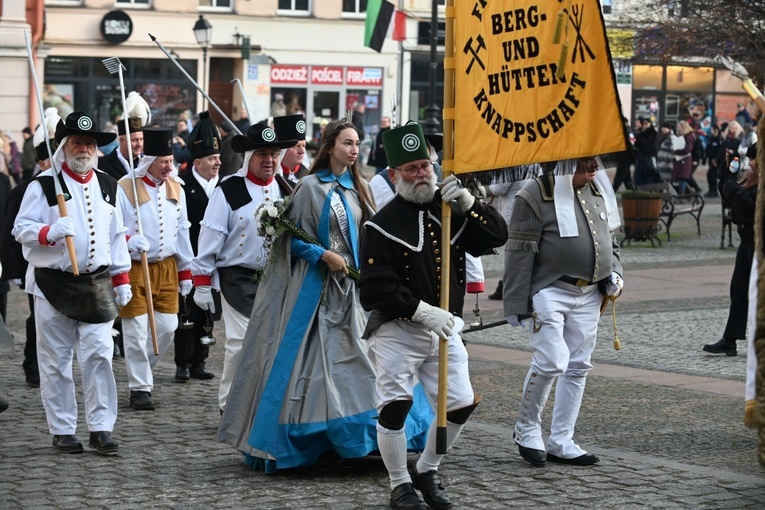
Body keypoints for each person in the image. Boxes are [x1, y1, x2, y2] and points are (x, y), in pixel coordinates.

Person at [218, 118, 432, 474]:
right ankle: (320, 439)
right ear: (330, 146)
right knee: (317, 367)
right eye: (347, 143)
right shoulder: (309, 187)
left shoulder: (359, 187)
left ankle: (367, 435)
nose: (354, 150)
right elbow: (291, 237)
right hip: (317, 292)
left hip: (354, 290)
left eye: (357, 144)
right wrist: (323, 255)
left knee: (364, 360)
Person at [358, 121, 507, 510]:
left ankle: (427, 468)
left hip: (447, 330)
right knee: (395, 407)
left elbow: (497, 237)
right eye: (411, 168)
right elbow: (374, 289)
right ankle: (399, 484)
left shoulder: (451, 211)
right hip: (397, 329)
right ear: (394, 175)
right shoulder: (379, 224)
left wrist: (472, 205)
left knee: (460, 404)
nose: (421, 174)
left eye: (425, 165)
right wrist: (422, 312)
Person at [12, 110, 132, 454]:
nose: (84, 149)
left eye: (89, 143)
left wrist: (121, 277)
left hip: (96, 283)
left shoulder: (109, 185)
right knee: (55, 359)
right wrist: (48, 232)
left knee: (99, 354)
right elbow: (21, 229)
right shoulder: (43, 185)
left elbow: (117, 236)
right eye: (77, 142)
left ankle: (101, 426)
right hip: (53, 283)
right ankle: (63, 428)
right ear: (64, 147)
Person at [502, 157, 623, 468]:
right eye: (585, 160)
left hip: (590, 292)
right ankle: (527, 429)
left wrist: (615, 272)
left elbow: (611, 241)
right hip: (549, 290)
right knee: (552, 361)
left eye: (596, 158)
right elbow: (518, 250)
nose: (595, 164)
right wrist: (516, 302)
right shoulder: (534, 193)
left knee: (578, 366)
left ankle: (561, 439)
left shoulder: (597, 188)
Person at [192, 122, 296, 413]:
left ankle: (262, 403)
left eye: (274, 154)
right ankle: (230, 405)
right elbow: (210, 235)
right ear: (249, 156)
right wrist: (201, 281)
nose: (269, 160)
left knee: (271, 344)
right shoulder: (229, 189)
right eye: (262, 154)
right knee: (240, 343)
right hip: (237, 277)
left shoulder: (284, 187)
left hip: (276, 277)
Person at [116, 127, 194, 411]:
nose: (169, 166)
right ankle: (139, 387)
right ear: (148, 160)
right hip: (136, 267)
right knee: (136, 330)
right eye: (163, 161)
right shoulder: (125, 187)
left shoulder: (177, 187)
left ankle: (141, 372)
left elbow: (182, 230)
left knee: (167, 327)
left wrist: (186, 270)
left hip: (167, 267)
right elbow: (113, 229)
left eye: (170, 160)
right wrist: (128, 241)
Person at [0, 109, 62, 388]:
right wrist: (13, 270)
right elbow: (11, 232)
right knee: (39, 316)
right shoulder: (24, 189)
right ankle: (33, 365)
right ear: (41, 162)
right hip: (33, 265)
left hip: (64, 264)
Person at [174, 112, 221, 382]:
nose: (217, 163)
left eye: (218, 158)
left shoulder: (224, 186)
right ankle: (182, 363)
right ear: (198, 161)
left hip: (214, 261)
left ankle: (200, 363)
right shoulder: (183, 185)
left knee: (208, 314)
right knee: (186, 312)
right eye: (212, 159)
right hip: (189, 258)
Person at [703, 143, 758, 357]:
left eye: (754, 159)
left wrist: (730, 185)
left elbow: (748, 204)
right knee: (738, 289)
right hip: (746, 239)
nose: (750, 163)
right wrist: (727, 174)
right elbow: (731, 197)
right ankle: (730, 339)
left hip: (758, 240)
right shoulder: (751, 177)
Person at [98, 91, 150, 181]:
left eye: (141, 139)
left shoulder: (147, 163)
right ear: (122, 140)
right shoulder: (103, 164)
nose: (139, 144)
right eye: (134, 140)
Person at [274, 114, 310, 184]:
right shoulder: (272, 178)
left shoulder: (308, 178)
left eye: (304, 146)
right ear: (283, 150)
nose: (302, 151)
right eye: (296, 146)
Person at [672, 120, 696, 195]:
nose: (678, 128)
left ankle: (682, 195)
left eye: (679, 127)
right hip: (680, 159)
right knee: (679, 178)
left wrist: (676, 151)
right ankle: (690, 192)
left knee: (682, 178)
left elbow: (687, 149)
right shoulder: (683, 136)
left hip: (684, 160)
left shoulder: (688, 136)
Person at [633, 117, 659, 185]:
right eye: (644, 123)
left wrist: (642, 146)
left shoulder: (654, 133)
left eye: (646, 123)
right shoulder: (641, 133)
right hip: (641, 157)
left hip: (649, 157)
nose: (645, 125)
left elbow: (653, 146)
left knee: (649, 174)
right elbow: (637, 144)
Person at [612, 117, 635, 192]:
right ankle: (631, 190)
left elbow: (632, 143)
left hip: (626, 157)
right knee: (626, 176)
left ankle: (613, 190)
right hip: (621, 157)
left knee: (620, 175)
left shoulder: (628, 132)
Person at [704, 124, 723, 198]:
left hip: (715, 161)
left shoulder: (719, 139)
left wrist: (716, 159)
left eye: (712, 130)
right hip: (710, 160)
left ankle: (714, 191)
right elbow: (708, 149)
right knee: (710, 176)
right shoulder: (710, 139)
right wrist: (705, 158)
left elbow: (720, 151)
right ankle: (711, 190)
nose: (711, 131)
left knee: (712, 175)